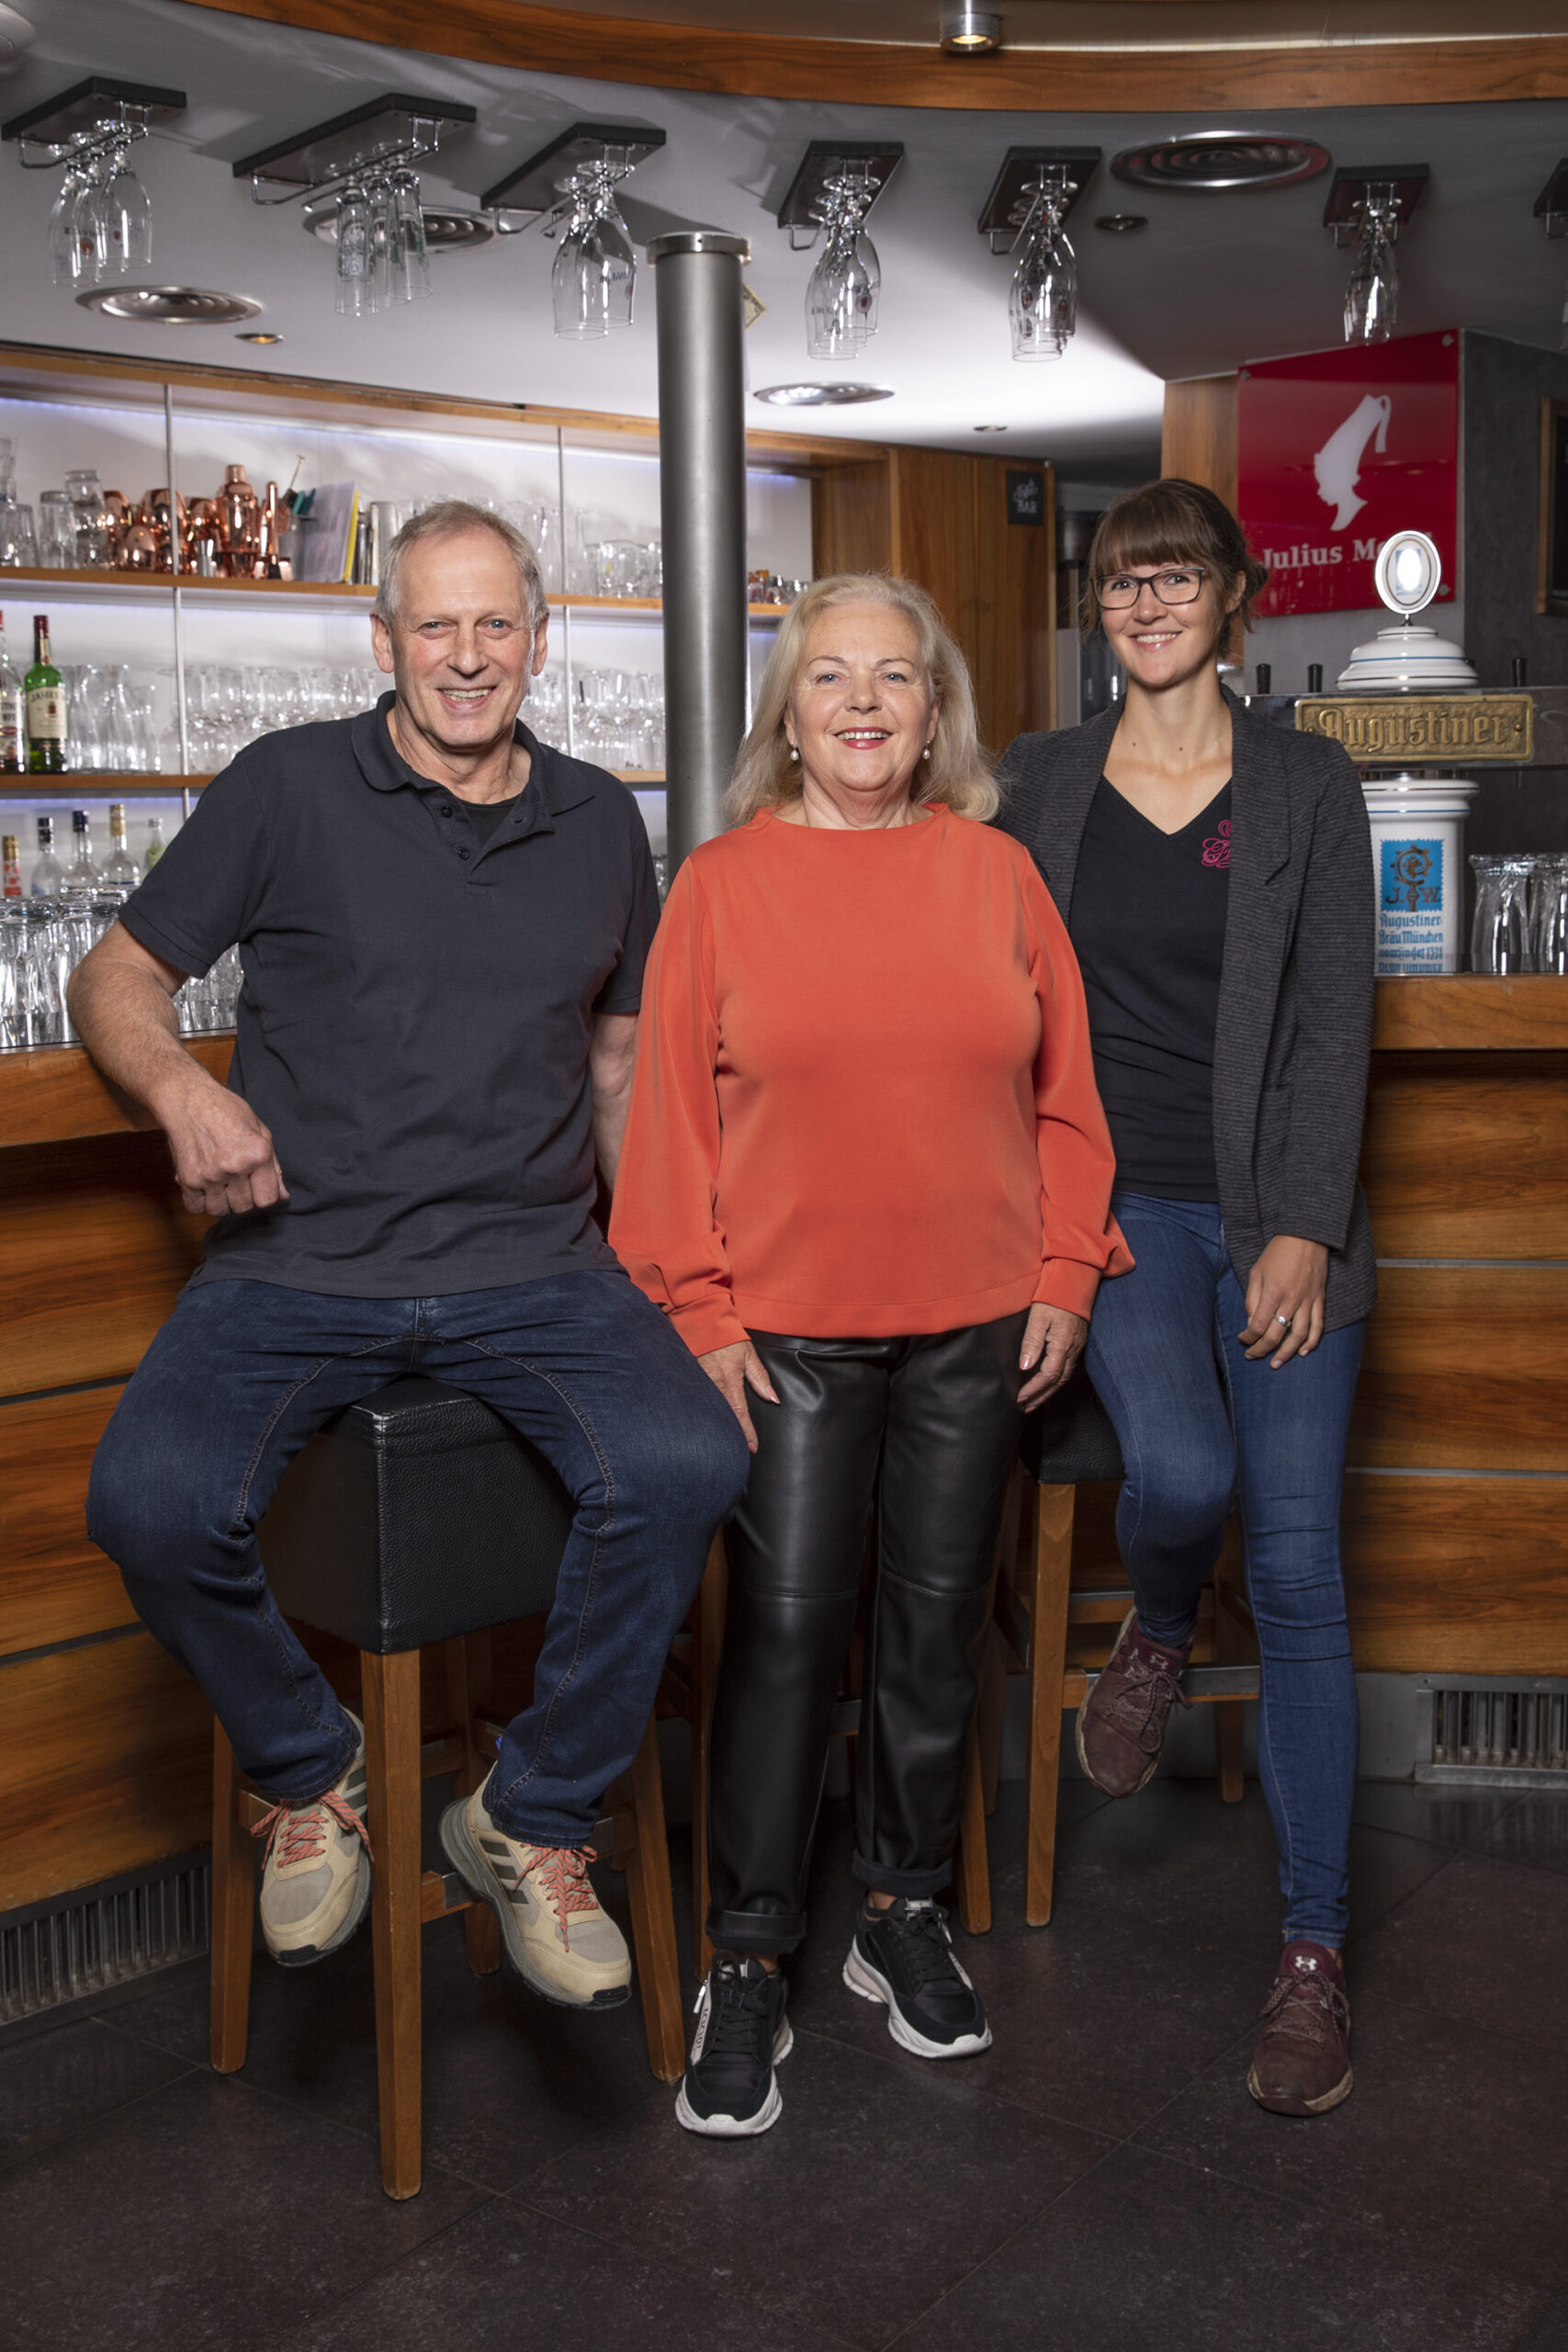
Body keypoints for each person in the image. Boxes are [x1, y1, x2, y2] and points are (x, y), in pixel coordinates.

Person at [73, 502, 749, 2009]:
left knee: (691, 1460)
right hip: (296, 1261)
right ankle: (313, 1770)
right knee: (148, 1501)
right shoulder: (288, 785)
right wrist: (183, 1090)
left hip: (535, 1262)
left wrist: (667, 1283)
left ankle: (529, 1814)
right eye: (433, 626)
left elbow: (621, 1066)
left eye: (494, 624)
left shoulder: (597, 820)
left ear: (541, 637)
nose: (465, 656)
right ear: (382, 642)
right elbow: (112, 975)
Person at [610, 572, 1130, 2138]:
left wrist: (1065, 1276)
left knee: (930, 1629)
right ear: (788, 709)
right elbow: (666, 1136)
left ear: (933, 711)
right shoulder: (720, 882)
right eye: (829, 676)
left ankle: (901, 1910)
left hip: (978, 1321)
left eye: (891, 678)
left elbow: (1070, 1105)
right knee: (779, 1638)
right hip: (789, 1337)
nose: (859, 702)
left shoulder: (1000, 876)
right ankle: (750, 1953)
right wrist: (699, 1310)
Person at [996, 478, 1375, 2118]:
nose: (1147, 600)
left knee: (1294, 1570)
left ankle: (1312, 1959)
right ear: (1101, 605)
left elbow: (1337, 1016)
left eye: (1179, 575)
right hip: (1118, 1210)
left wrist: (1301, 1225)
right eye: (1120, 577)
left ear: (1238, 598)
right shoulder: (1039, 784)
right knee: (1187, 1481)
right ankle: (1155, 1625)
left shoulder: (1306, 783)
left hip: (1285, 1221)